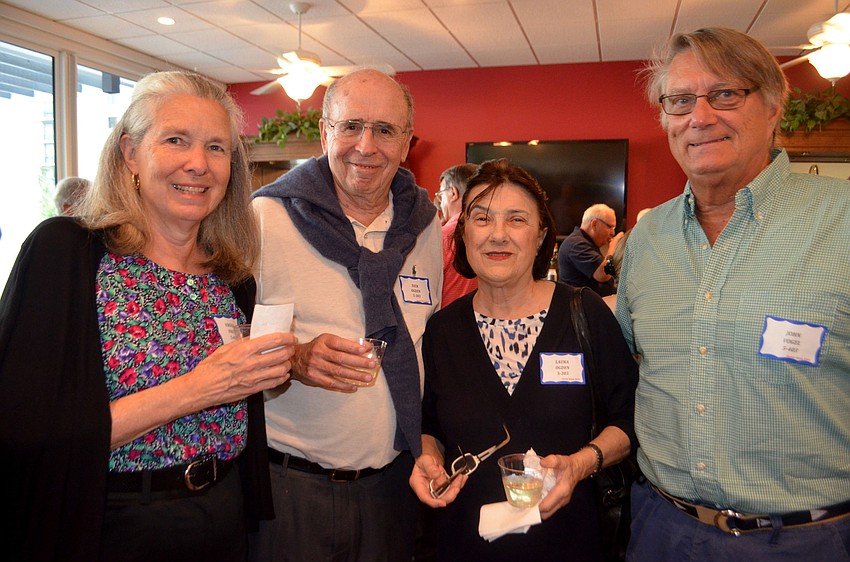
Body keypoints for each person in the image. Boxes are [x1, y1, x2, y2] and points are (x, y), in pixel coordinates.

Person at [0, 70, 296, 561]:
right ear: (130, 153)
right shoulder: (68, 254)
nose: (198, 164)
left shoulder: (232, 278)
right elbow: (24, 432)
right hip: (109, 523)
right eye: (176, 140)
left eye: (217, 148)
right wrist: (198, 388)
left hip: (224, 516)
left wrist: (276, 366)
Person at [616, 27, 850, 561]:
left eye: (725, 94)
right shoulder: (646, 240)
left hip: (807, 540)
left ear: (773, 107)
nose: (699, 117)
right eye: (679, 100)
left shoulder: (842, 222)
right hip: (661, 529)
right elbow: (633, 363)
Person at [249, 69, 443, 562]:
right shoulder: (265, 220)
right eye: (350, 125)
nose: (365, 145)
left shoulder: (424, 227)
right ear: (324, 132)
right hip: (292, 490)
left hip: (393, 488)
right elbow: (223, 343)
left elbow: (426, 342)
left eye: (384, 130)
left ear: (406, 144)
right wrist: (293, 358)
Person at [410, 158, 638, 560]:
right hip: (466, 542)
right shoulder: (442, 331)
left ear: (541, 235)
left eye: (516, 220)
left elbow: (627, 421)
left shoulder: (583, 313)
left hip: (568, 541)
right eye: (481, 219)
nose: (498, 235)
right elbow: (431, 428)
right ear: (462, 234)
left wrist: (581, 464)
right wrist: (429, 457)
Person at [558, 203, 623, 296]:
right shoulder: (576, 244)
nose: (613, 233)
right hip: (581, 308)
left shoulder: (586, 242)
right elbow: (602, 274)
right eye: (610, 227)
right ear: (594, 224)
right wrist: (614, 246)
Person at [437, 163, 479, 306]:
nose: (441, 204)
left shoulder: (442, 238)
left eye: (441, 196)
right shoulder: (491, 233)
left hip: (445, 322)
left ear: (453, 193)